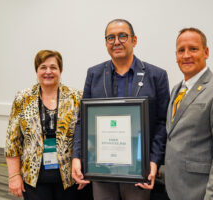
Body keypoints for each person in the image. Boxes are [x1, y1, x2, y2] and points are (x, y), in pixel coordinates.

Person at [72, 19, 170, 200]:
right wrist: (76, 157)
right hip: (101, 168)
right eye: (110, 38)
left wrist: (154, 162)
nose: (116, 42)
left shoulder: (156, 76)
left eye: (122, 36)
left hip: (139, 171)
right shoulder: (94, 74)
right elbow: (82, 120)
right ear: (106, 43)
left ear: (134, 40)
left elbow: (163, 122)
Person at [165, 27, 213, 200]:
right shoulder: (176, 90)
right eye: (181, 50)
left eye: (193, 49)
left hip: (203, 193)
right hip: (176, 190)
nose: (186, 55)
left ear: (206, 52)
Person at [5, 50, 83, 200]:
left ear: (61, 70)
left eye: (53, 67)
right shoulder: (23, 98)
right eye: (43, 67)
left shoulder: (76, 97)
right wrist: (14, 176)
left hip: (69, 177)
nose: (48, 72)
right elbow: (12, 141)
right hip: (34, 177)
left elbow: (85, 137)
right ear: (37, 70)